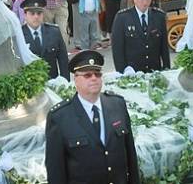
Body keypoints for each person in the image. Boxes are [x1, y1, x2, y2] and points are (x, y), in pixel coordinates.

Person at [45, 49, 140, 184]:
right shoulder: (60, 117)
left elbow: (131, 155)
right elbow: (56, 172)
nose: (94, 78)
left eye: (97, 74)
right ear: (76, 80)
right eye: (87, 75)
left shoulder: (117, 105)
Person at [111, 0, 169, 73]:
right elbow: (117, 50)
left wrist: (166, 69)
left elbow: (164, 48)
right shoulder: (122, 17)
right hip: (132, 73)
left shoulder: (159, 16)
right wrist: (122, 72)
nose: (145, 2)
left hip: (154, 71)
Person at [20, 0, 69, 80]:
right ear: (25, 15)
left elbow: (63, 60)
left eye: (39, 13)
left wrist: (65, 83)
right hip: (29, 84)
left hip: (52, 82)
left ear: (43, 14)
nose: (36, 16)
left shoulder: (54, 32)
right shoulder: (19, 35)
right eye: (32, 13)